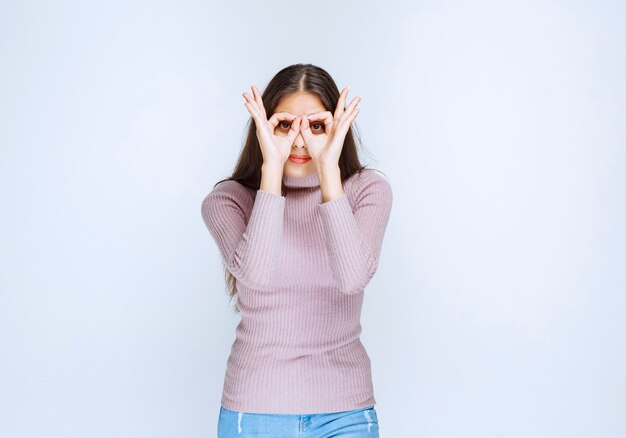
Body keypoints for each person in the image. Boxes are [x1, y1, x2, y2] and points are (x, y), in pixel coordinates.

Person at [201, 63, 393, 437]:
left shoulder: (368, 191)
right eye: (285, 125)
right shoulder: (229, 200)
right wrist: (272, 168)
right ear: (264, 127)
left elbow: (353, 278)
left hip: (346, 410)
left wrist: (329, 175)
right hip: (254, 411)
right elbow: (256, 274)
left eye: (316, 126)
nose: (300, 141)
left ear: (336, 129)